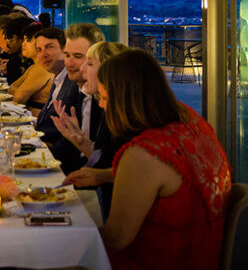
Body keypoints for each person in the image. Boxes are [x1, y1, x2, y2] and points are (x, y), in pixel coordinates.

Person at [96, 50, 232, 270]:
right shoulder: (190, 121)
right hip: (202, 253)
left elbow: (115, 239)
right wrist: (101, 175)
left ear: (125, 101)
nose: (101, 105)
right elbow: (166, 181)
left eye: (103, 98)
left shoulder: (144, 154)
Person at [56, 41, 126, 216]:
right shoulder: (107, 107)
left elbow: (138, 174)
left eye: (90, 63)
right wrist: (80, 141)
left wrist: (101, 176)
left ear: (109, 70)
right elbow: (107, 160)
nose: (82, 69)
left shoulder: (126, 117)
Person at [46, 23, 101, 173]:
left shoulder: (104, 101)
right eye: (67, 55)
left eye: (77, 57)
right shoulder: (78, 91)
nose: (69, 63)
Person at [33, 26, 79, 148]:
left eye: (50, 47)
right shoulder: (58, 78)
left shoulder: (74, 83)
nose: (44, 54)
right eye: (39, 50)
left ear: (65, 49)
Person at [7, 27, 54, 115]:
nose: (23, 44)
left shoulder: (42, 67)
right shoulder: (34, 66)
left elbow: (18, 97)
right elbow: (11, 89)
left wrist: (18, 90)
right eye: (23, 40)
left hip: (37, 123)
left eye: (28, 40)